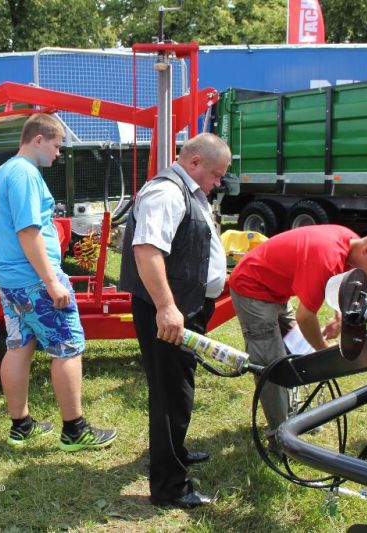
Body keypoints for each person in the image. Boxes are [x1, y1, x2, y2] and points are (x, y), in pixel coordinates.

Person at [0, 113, 117, 452]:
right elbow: (28, 231)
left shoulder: (4, 171)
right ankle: (75, 430)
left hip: (7, 277)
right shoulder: (26, 174)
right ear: (38, 139)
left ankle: (21, 426)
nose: (59, 154)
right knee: (68, 348)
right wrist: (52, 282)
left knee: (19, 344)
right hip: (34, 279)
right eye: (57, 146)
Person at [120, 133, 231, 508]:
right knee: (172, 395)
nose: (218, 183)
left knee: (177, 388)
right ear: (195, 162)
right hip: (168, 311)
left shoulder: (188, 192)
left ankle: (175, 454)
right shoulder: (166, 193)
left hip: (183, 306)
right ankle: (170, 488)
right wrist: (167, 308)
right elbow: (147, 251)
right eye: (215, 174)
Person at [228, 224, 367, 452]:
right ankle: (279, 439)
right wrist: (325, 351)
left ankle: (292, 417)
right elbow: (306, 317)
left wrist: (339, 315)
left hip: (277, 289)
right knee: (271, 364)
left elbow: (338, 283)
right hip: (252, 286)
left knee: (298, 351)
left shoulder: (350, 243)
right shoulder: (325, 257)